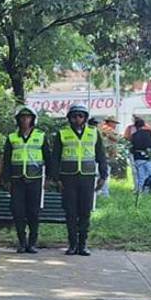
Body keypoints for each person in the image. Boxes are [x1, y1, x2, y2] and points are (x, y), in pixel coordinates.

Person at [51, 103, 107, 256]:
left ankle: (83, 245)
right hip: (68, 179)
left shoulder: (94, 133)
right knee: (70, 212)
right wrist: (56, 178)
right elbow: (55, 158)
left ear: (85, 118)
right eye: (74, 116)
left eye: (80, 116)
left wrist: (103, 176)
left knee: (85, 211)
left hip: (87, 178)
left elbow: (101, 156)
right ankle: (72, 244)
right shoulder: (62, 134)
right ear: (70, 118)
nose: (77, 119)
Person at [0, 106, 48, 253]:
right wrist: (5, 180)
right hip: (17, 180)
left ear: (32, 119)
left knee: (33, 212)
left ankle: (32, 243)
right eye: (22, 117)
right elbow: (6, 160)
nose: (25, 120)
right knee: (18, 212)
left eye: (28, 117)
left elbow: (48, 158)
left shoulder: (40, 136)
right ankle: (22, 242)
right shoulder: (12, 138)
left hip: (35, 179)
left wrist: (50, 178)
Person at [129, 117, 151, 193]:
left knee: (140, 176)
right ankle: (149, 190)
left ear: (136, 127)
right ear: (144, 125)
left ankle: (140, 191)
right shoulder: (149, 132)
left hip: (138, 158)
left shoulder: (134, 135)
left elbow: (132, 147)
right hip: (149, 157)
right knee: (150, 174)